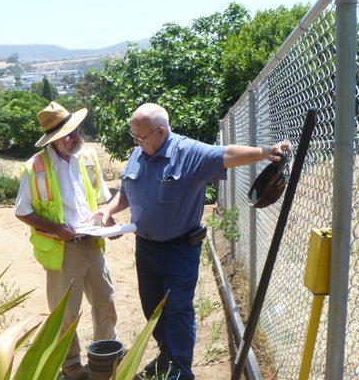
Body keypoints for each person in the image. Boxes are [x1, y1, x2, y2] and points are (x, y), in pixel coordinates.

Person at [94, 102, 290, 380]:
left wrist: (263, 152)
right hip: (145, 248)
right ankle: (166, 358)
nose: (136, 142)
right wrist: (109, 210)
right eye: (134, 136)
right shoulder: (138, 153)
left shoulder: (189, 153)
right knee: (153, 309)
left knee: (177, 311)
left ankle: (181, 372)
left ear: (160, 132)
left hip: (178, 251)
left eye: (141, 136)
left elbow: (227, 154)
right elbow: (126, 190)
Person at [14, 101, 118, 380]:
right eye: (68, 134)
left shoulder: (87, 157)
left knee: (105, 301)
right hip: (63, 250)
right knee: (66, 313)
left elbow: (100, 198)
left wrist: (109, 221)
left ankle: (105, 358)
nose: (75, 137)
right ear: (54, 139)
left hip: (93, 243)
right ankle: (71, 367)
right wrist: (56, 229)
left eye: (76, 131)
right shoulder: (34, 168)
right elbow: (22, 211)